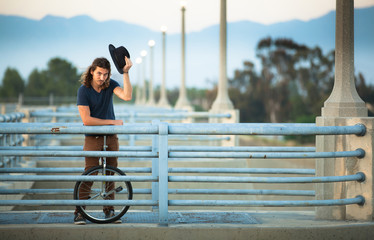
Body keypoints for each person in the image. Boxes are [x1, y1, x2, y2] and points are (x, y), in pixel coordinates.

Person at [74, 56, 133, 225]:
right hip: (93, 137)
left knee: (110, 174)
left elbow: (127, 96)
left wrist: (125, 73)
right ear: (92, 71)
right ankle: (79, 211)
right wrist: (112, 122)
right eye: (99, 73)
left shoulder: (110, 85)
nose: (102, 78)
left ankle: (109, 210)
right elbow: (87, 120)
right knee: (89, 173)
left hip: (111, 137)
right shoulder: (83, 90)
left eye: (106, 74)